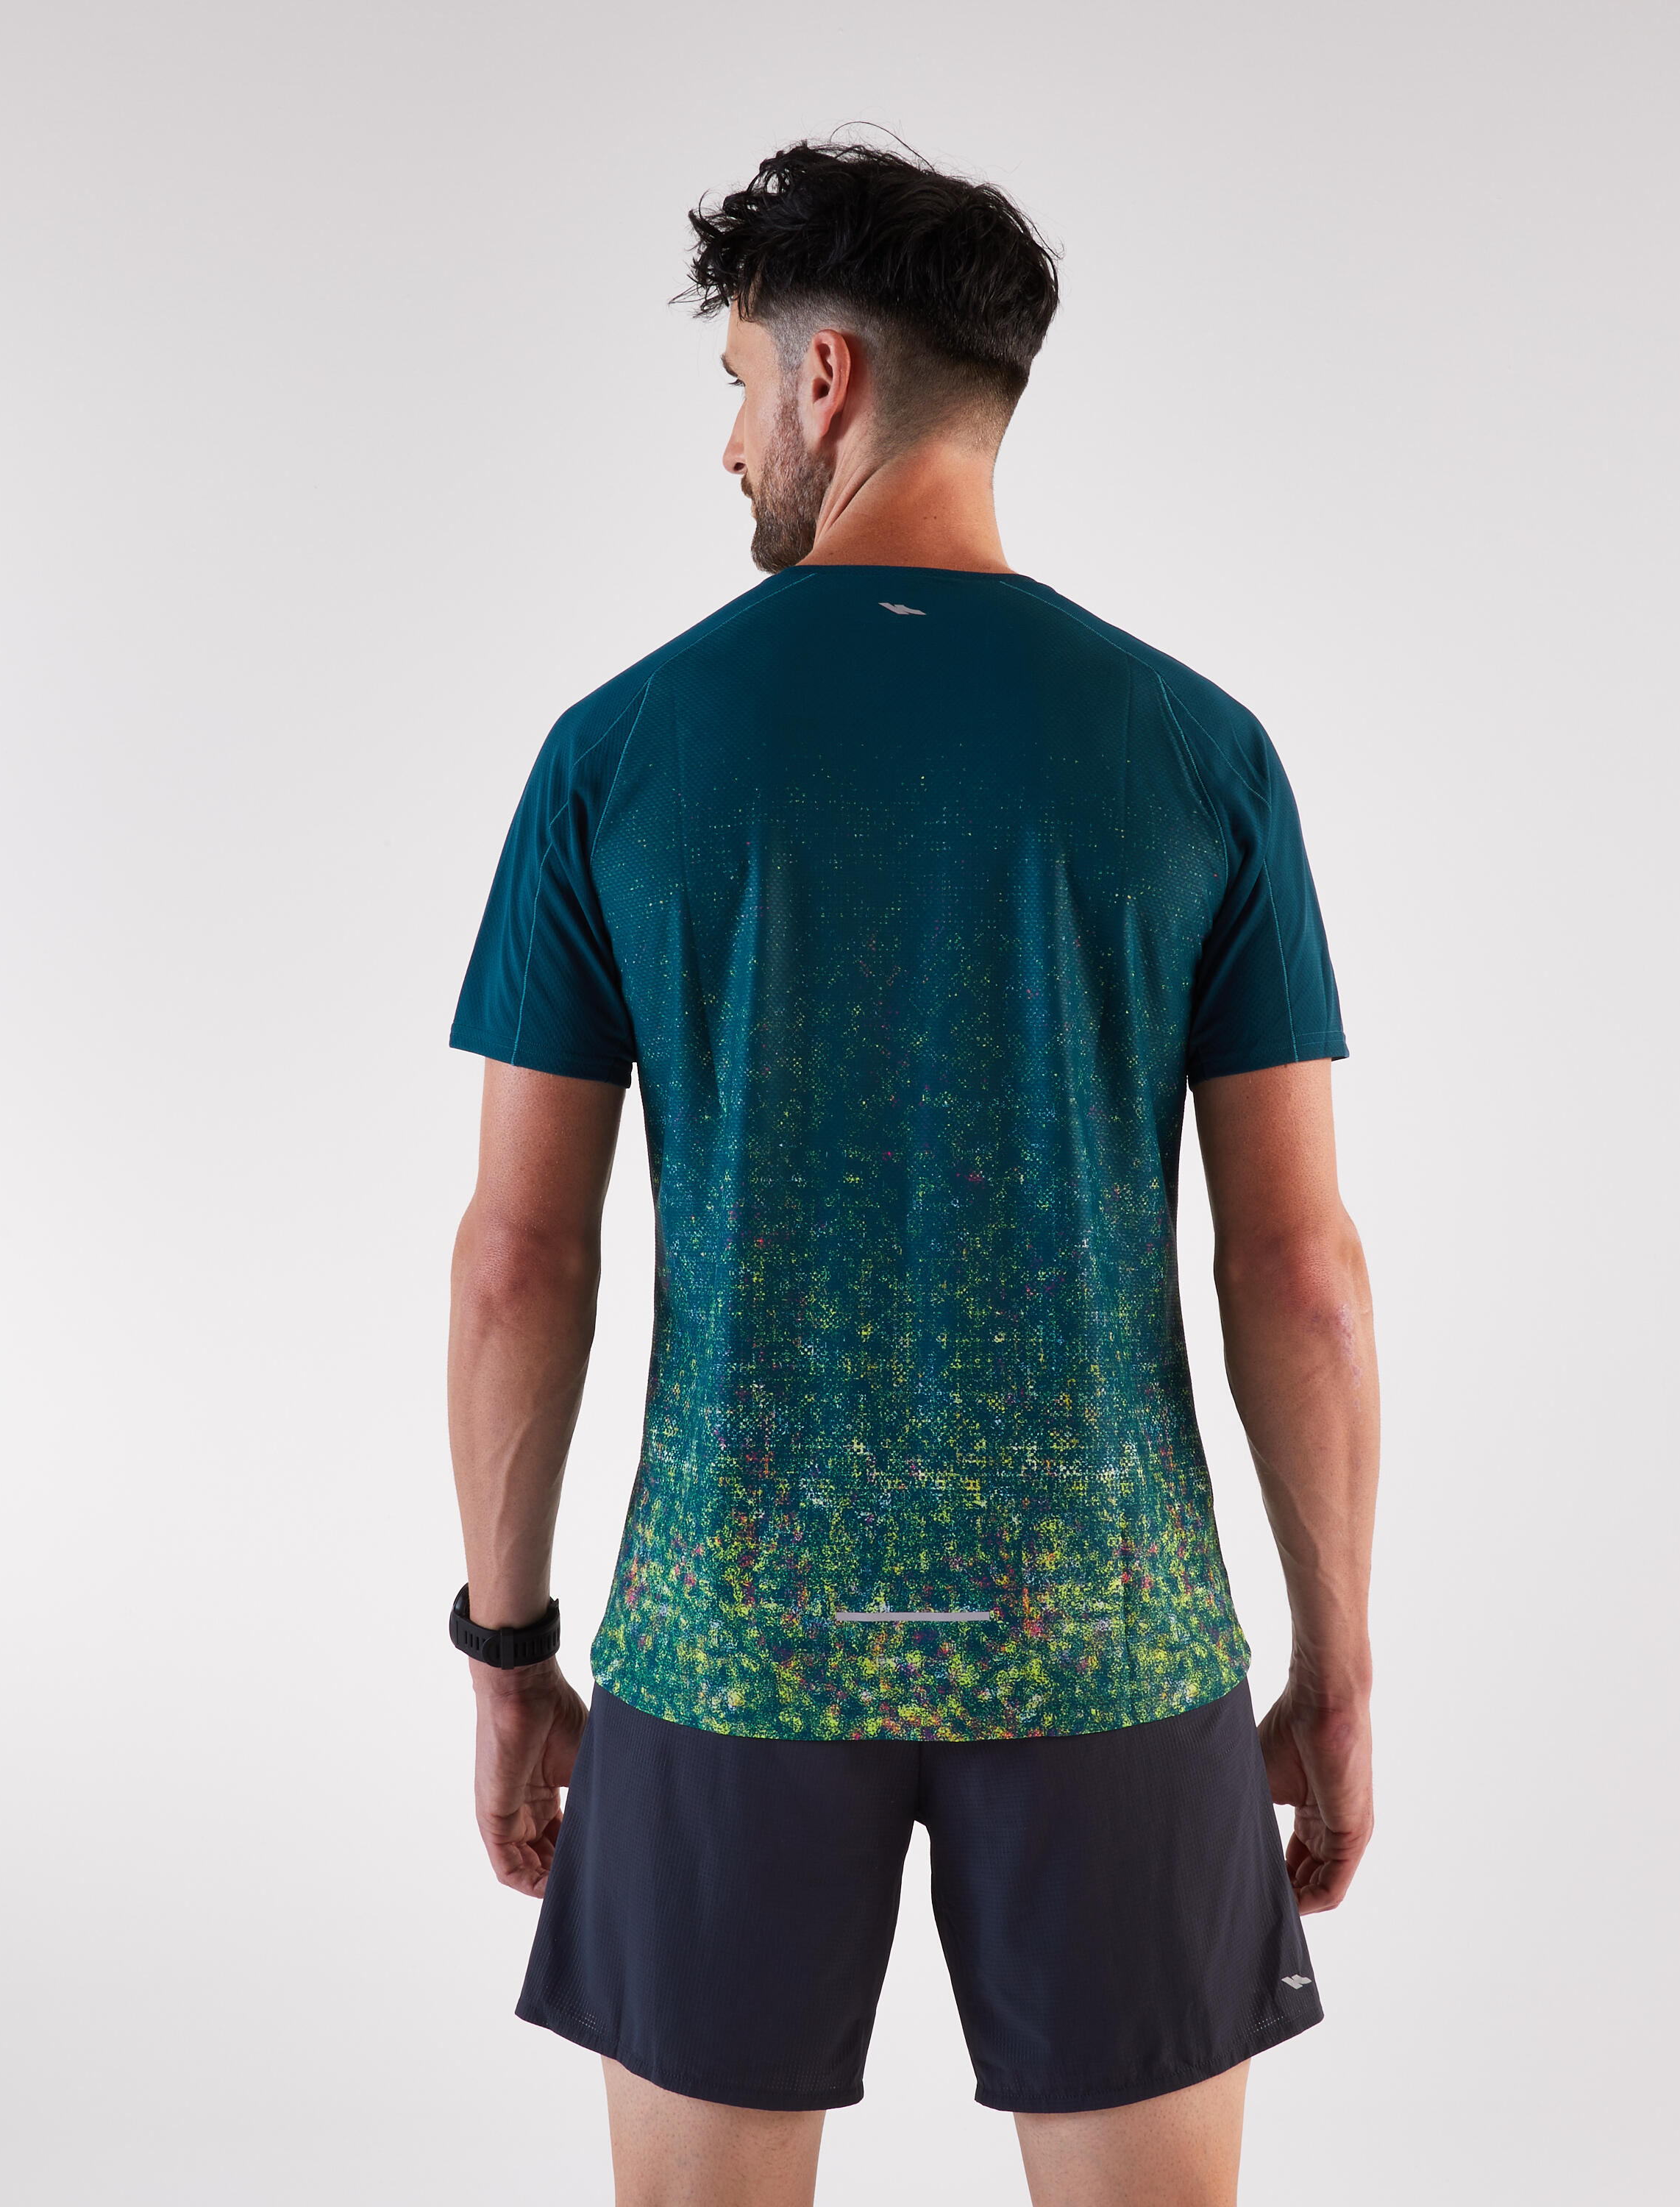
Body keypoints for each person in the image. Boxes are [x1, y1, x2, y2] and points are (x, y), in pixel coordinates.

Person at [445, 139, 1379, 2207]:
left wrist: (508, 1657)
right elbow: (1298, 1269)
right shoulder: (1199, 753)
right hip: (1110, 1635)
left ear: (828, 376)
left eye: (735, 385)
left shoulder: (616, 754)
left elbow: (518, 1258)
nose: (728, 444)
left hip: (727, 1639)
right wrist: (1337, 1662)